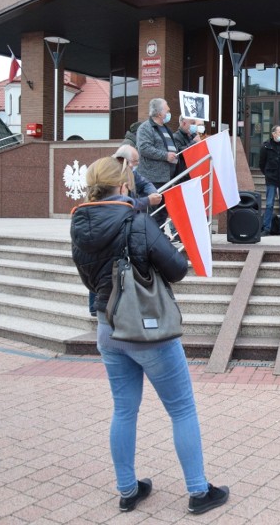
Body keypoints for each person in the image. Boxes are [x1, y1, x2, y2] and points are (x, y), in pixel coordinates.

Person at [70, 157, 229, 515]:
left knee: (124, 410)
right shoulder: (136, 221)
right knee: (182, 409)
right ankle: (198, 491)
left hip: (107, 326)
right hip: (147, 329)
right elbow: (176, 269)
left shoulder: (78, 223)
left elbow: (88, 279)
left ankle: (127, 490)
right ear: (124, 186)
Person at [86, 145, 163, 318]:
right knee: (99, 267)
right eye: (135, 162)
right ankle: (95, 306)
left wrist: (153, 193)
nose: (136, 166)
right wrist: (146, 201)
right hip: (107, 226)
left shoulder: (129, 171)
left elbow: (144, 183)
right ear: (125, 161)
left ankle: (103, 306)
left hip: (113, 227)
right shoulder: (108, 174)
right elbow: (122, 204)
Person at [136, 98, 179, 235]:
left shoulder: (166, 129)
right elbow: (144, 148)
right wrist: (165, 156)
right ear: (159, 113)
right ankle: (151, 237)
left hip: (167, 178)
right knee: (154, 211)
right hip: (152, 177)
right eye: (167, 109)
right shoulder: (146, 128)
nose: (169, 111)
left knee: (163, 211)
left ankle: (158, 236)